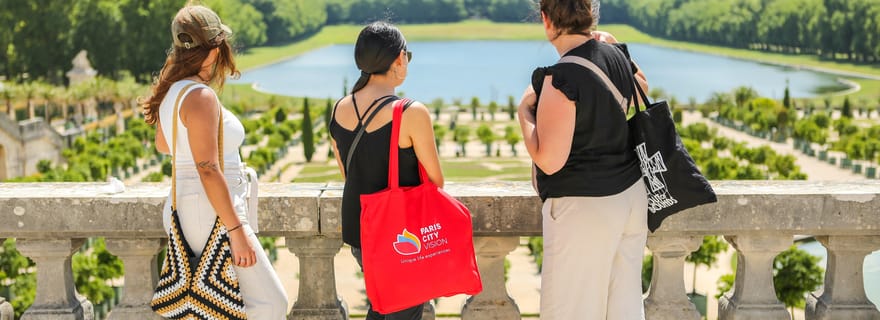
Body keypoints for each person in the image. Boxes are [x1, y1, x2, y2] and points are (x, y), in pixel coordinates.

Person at [142, 5, 288, 319]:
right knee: (271, 304)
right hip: (210, 210)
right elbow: (207, 169)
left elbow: (165, 144)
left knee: (216, 305)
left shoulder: (173, 91)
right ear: (215, 48)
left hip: (192, 206)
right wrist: (236, 230)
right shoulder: (200, 96)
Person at [517, 0, 650, 319]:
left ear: (546, 20)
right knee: (623, 307)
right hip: (630, 198)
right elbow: (642, 89)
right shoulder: (616, 57)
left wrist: (524, 114)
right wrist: (614, 43)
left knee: (571, 310)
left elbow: (549, 161)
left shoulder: (561, 78)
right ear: (591, 15)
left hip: (584, 208)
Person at [329, 21, 443, 320]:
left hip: (361, 229)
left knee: (384, 308)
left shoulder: (340, 107)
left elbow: (349, 173)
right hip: (403, 232)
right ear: (398, 59)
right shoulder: (410, 112)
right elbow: (435, 181)